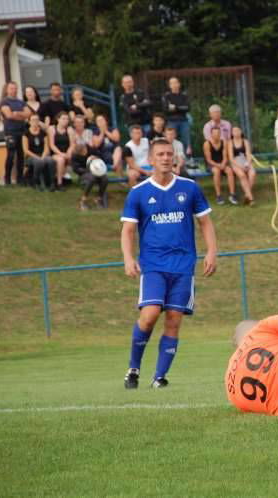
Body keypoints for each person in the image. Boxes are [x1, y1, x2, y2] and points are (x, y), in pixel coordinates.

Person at [121, 138, 217, 390]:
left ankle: (159, 377)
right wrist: (129, 258)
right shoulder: (139, 193)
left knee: (174, 318)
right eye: (160, 154)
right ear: (151, 159)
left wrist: (211, 252)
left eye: (169, 153)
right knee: (150, 314)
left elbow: (205, 223)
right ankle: (133, 369)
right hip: (153, 265)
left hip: (183, 265)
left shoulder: (190, 188)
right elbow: (128, 230)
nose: (165, 158)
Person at [0, 81, 32, 186]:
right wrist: (21, 115)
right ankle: (7, 179)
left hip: (21, 131)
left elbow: (29, 113)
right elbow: (8, 115)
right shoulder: (4, 102)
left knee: (21, 156)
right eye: (11, 88)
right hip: (10, 132)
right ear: (7, 90)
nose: (14, 90)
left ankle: (20, 179)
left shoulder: (21, 102)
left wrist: (17, 113)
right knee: (11, 155)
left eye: (15, 88)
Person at [204, 125, 235, 204]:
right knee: (216, 171)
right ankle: (219, 195)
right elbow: (208, 160)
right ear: (211, 134)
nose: (216, 135)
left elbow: (225, 156)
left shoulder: (224, 142)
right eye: (214, 133)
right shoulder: (207, 144)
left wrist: (223, 163)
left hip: (222, 163)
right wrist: (218, 165)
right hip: (211, 164)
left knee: (229, 171)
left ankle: (232, 194)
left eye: (218, 133)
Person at [23, 114, 55, 191]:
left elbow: (46, 148)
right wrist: (37, 157)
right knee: (38, 162)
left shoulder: (43, 133)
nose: (35, 122)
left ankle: (52, 183)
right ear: (29, 122)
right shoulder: (25, 134)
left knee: (50, 160)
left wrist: (43, 156)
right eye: (33, 120)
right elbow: (26, 150)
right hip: (31, 156)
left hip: (42, 154)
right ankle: (36, 182)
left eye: (37, 120)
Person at [72, 142, 109, 210]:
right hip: (84, 174)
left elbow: (102, 158)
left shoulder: (92, 150)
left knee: (105, 179)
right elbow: (75, 169)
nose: (84, 154)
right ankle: (83, 200)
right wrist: (87, 171)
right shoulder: (75, 155)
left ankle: (99, 199)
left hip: (98, 171)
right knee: (92, 178)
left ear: (85, 148)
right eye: (81, 153)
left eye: (84, 151)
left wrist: (97, 157)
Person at [226, 125, 256, 205]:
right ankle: (251, 198)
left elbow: (248, 154)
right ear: (232, 133)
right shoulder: (230, 143)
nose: (236, 132)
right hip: (235, 162)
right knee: (242, 175)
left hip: (245, 161)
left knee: (252, 174)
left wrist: (248, 164)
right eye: (234, 131)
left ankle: (247, 195)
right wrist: (240, 167)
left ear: (241, 132)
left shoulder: (245, 141)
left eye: (238, 130)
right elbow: (231, 158)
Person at [162, 77, 191, 157]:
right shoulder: (166, 96)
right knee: (170, 140)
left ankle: (185, 159)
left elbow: (187, 108)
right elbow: (166, 109)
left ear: (179, 84)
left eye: (176, 82)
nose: (174, 85)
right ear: (170, 85)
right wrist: (180, 108)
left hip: (183, 121)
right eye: (172, 83)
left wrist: (175, 107)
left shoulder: (184, 95)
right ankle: (170, 157)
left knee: (185, 141)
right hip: (171, 121)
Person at [48, 111, 74, 191]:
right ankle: (59, 183)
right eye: (63, 119)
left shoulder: (69, 129)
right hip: (56, 152)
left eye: (67, 119)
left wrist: (69, 152)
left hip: (66, 152)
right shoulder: (52, 129)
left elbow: (72, 144)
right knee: (60, 159)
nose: (65, 121)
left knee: (67, 158)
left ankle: (60, 180)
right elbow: (52, 145)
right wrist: (61, 154)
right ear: (58, 119)